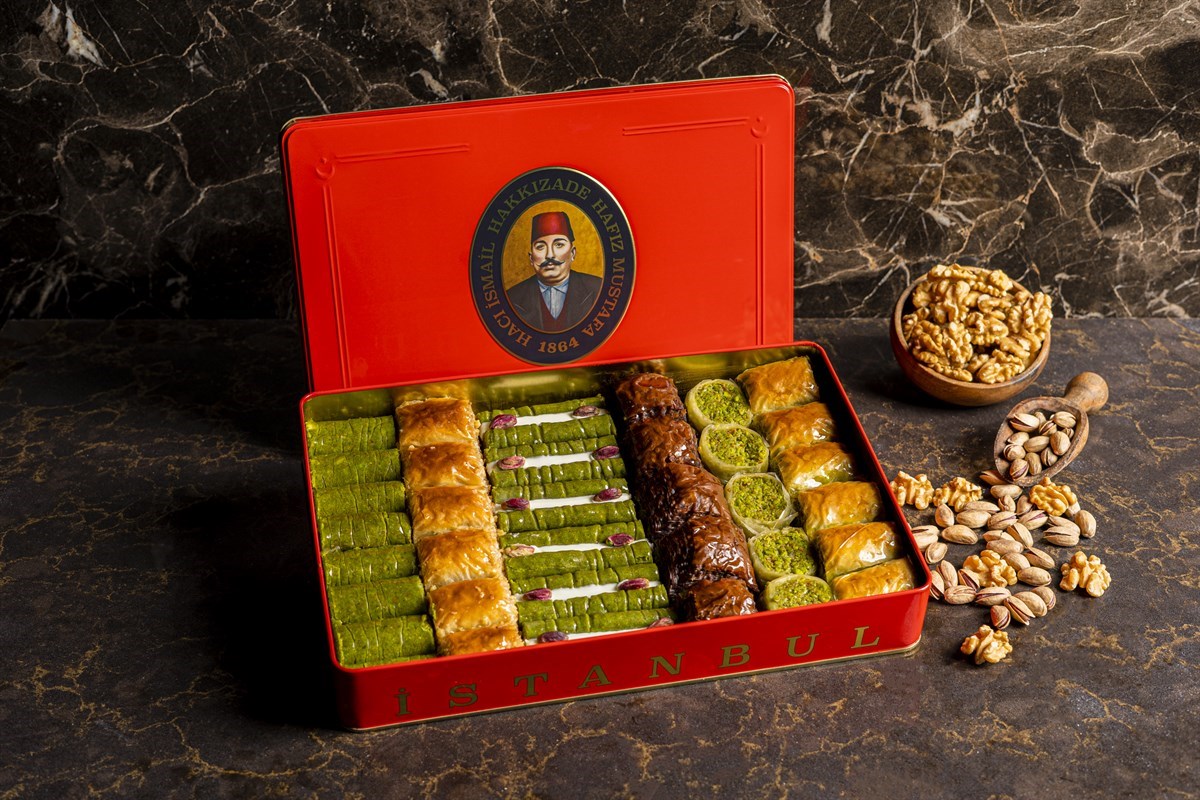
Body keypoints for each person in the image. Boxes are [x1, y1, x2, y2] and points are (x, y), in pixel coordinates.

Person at [505, 211, 601, 332]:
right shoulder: (512, 297)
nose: (550, 255)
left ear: (572, 253)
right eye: (540, 247)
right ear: (531, 258)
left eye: (559, 244)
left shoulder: (598, 288)